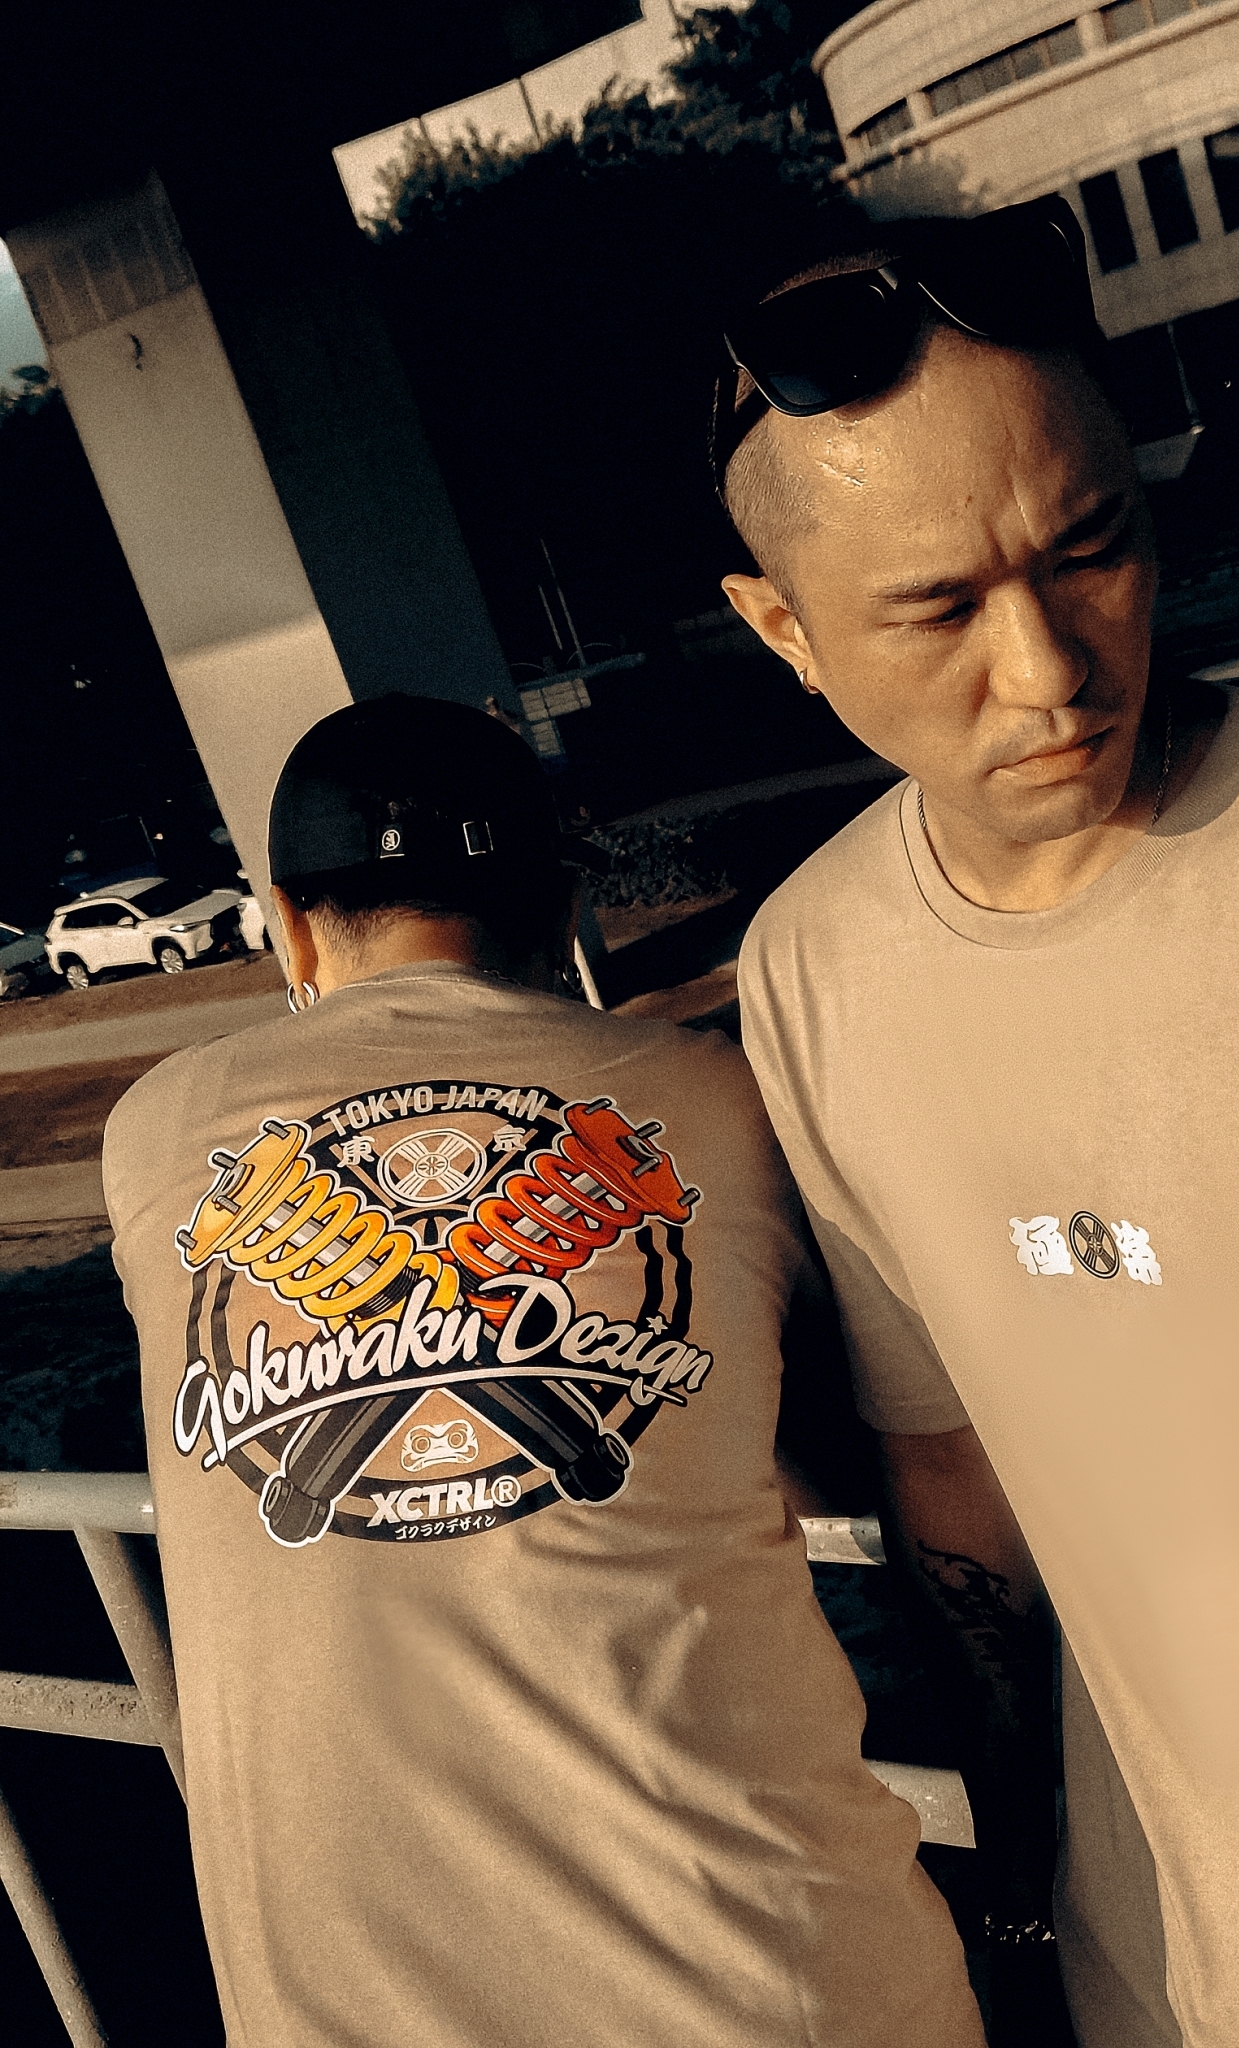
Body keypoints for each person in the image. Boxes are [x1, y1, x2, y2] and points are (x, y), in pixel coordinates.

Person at [720, 197, 1239, 2048]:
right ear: (783, 630)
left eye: (1090, 550)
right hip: (1157, 1978)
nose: (1051, 669)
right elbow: (954, 1485)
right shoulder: (814, 971)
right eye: (939, 607)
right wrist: (1027, 1911)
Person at [102, 694, 983, 2048]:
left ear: (291, 924)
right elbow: (868, 1450)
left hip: (336, 2010)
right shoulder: (714, 1096)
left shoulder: (154, 1131)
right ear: (558, 908)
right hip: (772, 1979)